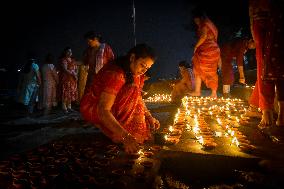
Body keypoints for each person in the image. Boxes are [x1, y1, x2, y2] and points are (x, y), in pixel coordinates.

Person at [80, 44, 160, 153]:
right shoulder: (116, 74)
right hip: (94, 106)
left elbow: (138, 97)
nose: (143, 71)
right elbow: (103, 110)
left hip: (109, 105)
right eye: (142, 65)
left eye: (147, 68)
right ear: (132, 58)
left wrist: (149, 116)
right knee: (130, 90)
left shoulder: (136, 74)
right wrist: (125, 136)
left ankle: (123, 127)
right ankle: (117, 129)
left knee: (133, 91)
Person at [248, 0, 284, 128]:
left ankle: (280, 113)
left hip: (277, 17)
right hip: (262, 17)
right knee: (264, 64)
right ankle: (267, 110)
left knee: (279, 62)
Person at [190, 10, 221, 98]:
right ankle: (213, 93)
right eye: (195, 21)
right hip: (214, 50)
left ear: (201, 18)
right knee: (210, 71)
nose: (196, 23)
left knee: (199, 69)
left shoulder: (204, 24)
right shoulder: (211, 25)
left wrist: (196, 47)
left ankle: (197, 91)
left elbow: (203, 36)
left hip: (207, 50)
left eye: (197, 20)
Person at [58, 47, 78, 113]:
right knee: (65, 93)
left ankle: (69, 107)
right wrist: (73, 74)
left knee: (70, 93)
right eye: (68, 51)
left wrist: (75, 74)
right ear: (65, 52)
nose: (70, 53)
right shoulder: (64, 60)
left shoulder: (73, 60)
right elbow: (65, 69)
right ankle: (64, 107)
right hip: (66, 79)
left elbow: (76, 69)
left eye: (70, 51)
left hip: (72, 79)